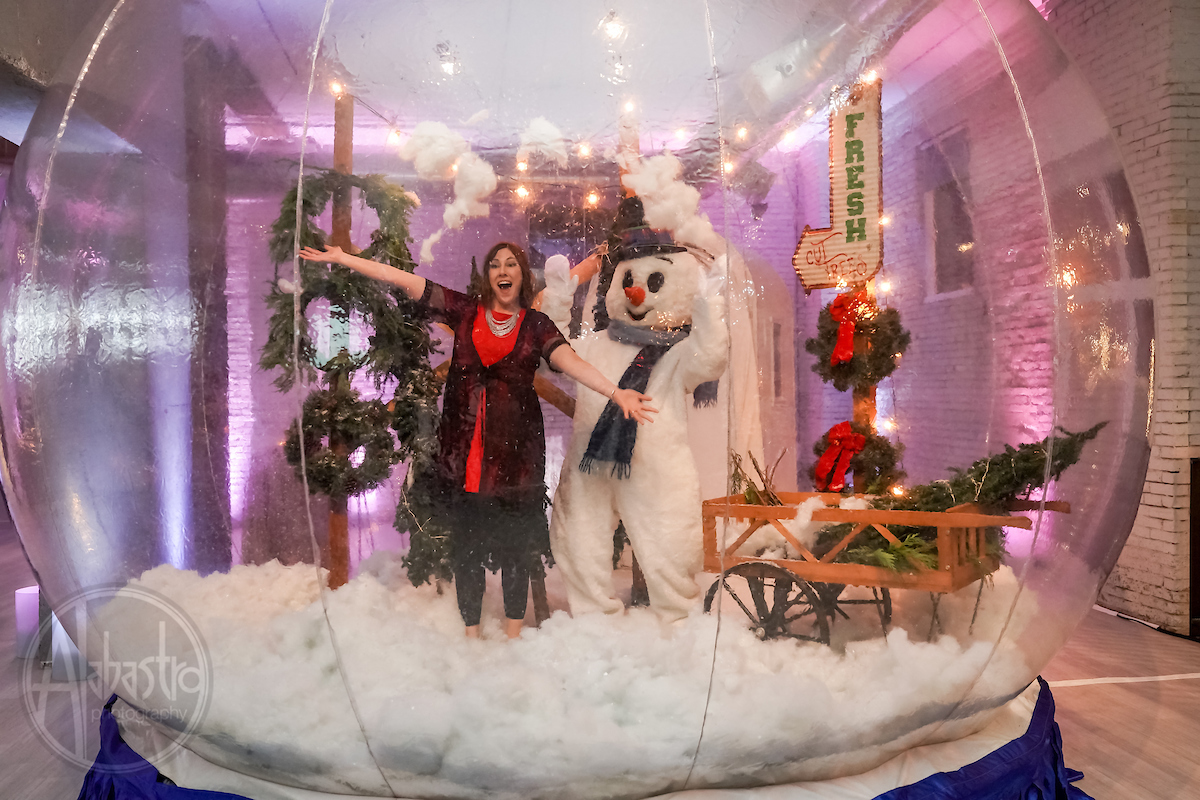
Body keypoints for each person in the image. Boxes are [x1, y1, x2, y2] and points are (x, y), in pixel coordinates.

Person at [298, 242, 656, 638]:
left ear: (522, 275)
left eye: (511, 265)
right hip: (463, 455)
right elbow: (403, 280)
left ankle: (514, 635)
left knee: (517, 552)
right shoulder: (466, 311)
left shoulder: (536, 325)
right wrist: (344, 258)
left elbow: (571, 362)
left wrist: (615, 392)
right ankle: (471, 637)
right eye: (495, 265)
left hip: (516, 458)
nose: (503, 271)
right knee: (465, 550)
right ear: (490, 276)